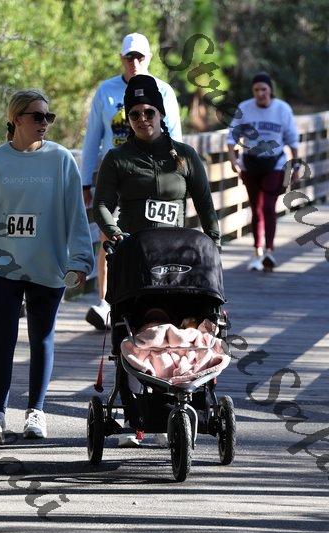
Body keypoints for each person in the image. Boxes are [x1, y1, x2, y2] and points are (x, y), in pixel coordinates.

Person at [0, 89, 94, 444]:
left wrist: (80, 260)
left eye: (48, 117)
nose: (45, 123)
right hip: (3, 265)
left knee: (41, 339)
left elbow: (76, 215)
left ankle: (36, 412)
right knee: (3, 337)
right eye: (37, 116)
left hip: (48, 263)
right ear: (16, 119)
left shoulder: (61, 159)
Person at [93, 74, 220, 446]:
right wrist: (113, 231)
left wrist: (213, 244)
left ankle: (183, 400)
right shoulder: (118, 159)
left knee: (182, 329)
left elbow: (206, 206)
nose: (142, 119)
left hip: (177, 261)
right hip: (135, 259)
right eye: (134, 114)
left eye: (149, 112)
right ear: (127, 118)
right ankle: (136, 415)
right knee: (134, 331)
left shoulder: (184, 156)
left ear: (160, 114)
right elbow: (102, 205)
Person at [82, 32, 182, 331]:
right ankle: (105, 302)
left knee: (152, 235)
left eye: (139, 56)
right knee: (108, 234)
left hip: (153, 174)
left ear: (149, 58)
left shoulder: (163, 91)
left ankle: (150, 296)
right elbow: (93, 138)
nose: (134, 62)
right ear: (122, 59)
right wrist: (85, 180)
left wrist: (177, 176)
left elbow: (175, 137)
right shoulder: (106, 91)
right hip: (113, 173)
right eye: (129, 57)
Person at [227, 72, 300, 271]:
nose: (260, 93)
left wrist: (296, 166)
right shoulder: (245, 108)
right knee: (255, 208)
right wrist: (233, 160)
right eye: (256, 90)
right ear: (253, 91)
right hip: (250, 163)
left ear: (270, 90)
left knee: (268, 206)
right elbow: (232, 137)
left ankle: (269, 251)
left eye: (264, 89)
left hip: (274, 163)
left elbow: (293, 140)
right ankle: (257, 251)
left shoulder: (282, 109)